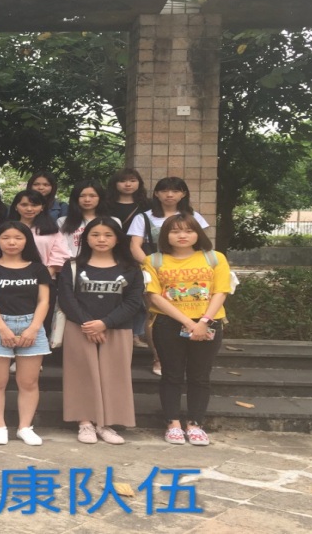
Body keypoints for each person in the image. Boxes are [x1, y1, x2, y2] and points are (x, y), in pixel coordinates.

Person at [141, 214, 231, 447]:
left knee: (200, 376)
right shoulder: (154, 260)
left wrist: (204, 321)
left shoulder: (215, 258)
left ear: (197, 234)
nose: (182, 235)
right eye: (175, 231)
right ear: (166, 235)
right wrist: (190, 323)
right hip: (168, 324)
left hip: (208, 323)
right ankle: (172, 424)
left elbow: (221, 291)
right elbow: (154, 296)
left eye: (188, 231)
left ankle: (195, 424)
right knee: (171, 375)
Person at [58, 217, 144, 445]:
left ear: (118, 239)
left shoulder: (131, 268)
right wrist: (88, 324)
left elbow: (133, 302)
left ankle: (106, 424)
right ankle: (85, 422)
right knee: (81, 374)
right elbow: (66, 298)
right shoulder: (73, 266)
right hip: (79, 327)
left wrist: (105, 323)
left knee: (114, 375)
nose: (101, 239)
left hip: (117, 328)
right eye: (95, 234)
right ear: (86, 238)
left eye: (108, 235)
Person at [0, 222, 51, 446]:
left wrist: (33, 328)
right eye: (6, 238)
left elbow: (44, 301)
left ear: (27, 241)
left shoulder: (38, 269)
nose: (12, 242)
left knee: (29, 382)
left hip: (31, 324)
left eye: (18, 238)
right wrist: (2, 328)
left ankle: (25, 427)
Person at [127, 176, 210, 376]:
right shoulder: (143, 218)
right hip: (155, 273)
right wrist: (154, 266)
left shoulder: (194, 216)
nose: (170, 195)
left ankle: (186, 358)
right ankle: (158, 358)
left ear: (183, 194)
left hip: (189, 274)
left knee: (188, 311)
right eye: (164, 191)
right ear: (156, 194)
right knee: (155, 314)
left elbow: (203, 245)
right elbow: (135, 246)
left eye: (175, 191)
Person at [9, 189, 71, 344]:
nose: (29, 209)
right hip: (11, 281)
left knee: (41, 321)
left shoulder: (51, 230)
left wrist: (42, 277)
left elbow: (60, 254)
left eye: (34, 205)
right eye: (24, 205)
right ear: (16, 207)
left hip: (44, 282)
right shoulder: (8, 228)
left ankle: (36, 352)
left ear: (42, 207)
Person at [106, 167, 151, 349]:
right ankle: (113, 330)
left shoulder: (147, 205)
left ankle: (136, 334)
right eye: (123, 181)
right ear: (115, 184)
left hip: (139, 254)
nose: (128, 184)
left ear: (139, 183)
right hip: (112, 254)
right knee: (116, 295)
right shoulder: (106, 205)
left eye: (132, 180)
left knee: (138, 295)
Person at [57, 179, 117, 256]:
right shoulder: (62, 221)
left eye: (92, 196)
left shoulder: (113, 221)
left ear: (100, 198)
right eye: (82, 196)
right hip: (74, 261)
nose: (87, 200)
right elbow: (61, 246)